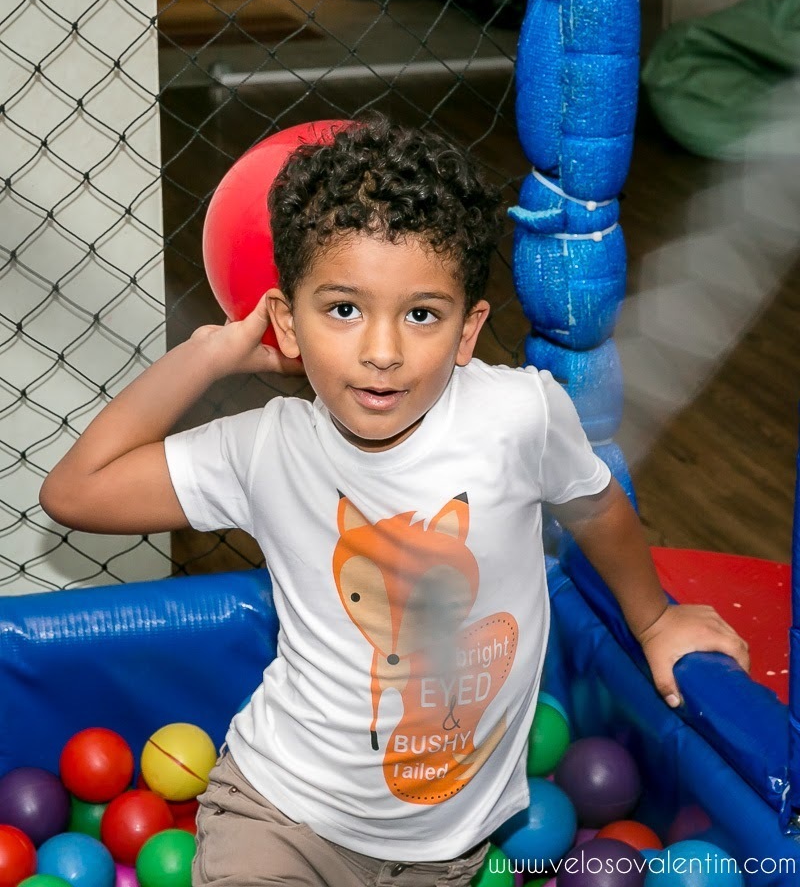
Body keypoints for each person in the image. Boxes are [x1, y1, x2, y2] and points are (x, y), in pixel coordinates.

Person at [40, 113, 749, 887]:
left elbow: (595, 505)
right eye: (342, 310)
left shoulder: (516, 416)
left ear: (467, 330)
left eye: (421, 315)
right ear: (287, 321)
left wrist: (653, 619)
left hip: (443, 851)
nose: (381, 352)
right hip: (284, 816)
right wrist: (207, 355)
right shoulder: (268, 448)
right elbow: (77, 492)